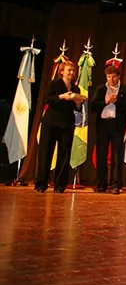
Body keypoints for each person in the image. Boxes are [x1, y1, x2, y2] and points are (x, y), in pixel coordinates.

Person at [35, 61, 85, 193]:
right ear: (62, 72)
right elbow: (47, 99)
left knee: (64, 155)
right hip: (51, 123)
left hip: (67, 124)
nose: (71, 73)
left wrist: (78, 103)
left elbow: (77, 109)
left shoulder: (76, 89)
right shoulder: (54, 85)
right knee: (46, 153)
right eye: (69, 70)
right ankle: (41, 184)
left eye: (73, 71)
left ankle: (60, 185)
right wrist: (62, 97)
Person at [90, 66, 126, 194]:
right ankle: (101, 184)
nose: (111, 79)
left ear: (118, 76)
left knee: (116, 155)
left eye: (114, 76)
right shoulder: (101, 89)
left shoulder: (125, 89)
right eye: (109, 76)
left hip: (117, 125)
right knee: (101, 155)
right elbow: (93, 106)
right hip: (103, 125)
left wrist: (116, 101)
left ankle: (115, 184)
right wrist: (106, 101)